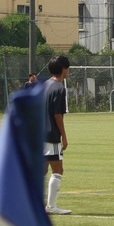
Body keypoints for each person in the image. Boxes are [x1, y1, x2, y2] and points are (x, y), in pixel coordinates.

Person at [44, 55, 72, 215]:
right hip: (50, 135)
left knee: (41, 171)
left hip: (37, 134)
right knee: (58, 170)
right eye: (67, 68)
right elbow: (58, 115)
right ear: (63, 69)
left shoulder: (44, 85)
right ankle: (51, 206)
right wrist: (64, 136)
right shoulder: (59, 88)